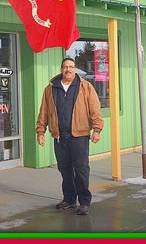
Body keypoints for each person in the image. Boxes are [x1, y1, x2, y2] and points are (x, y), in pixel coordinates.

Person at [36, 57, 104, 216]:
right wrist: (41, 131)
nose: (68, 70)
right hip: (60, 137)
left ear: (75, 69)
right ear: (61, 69)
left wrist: (97, 130)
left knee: (81, 169)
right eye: (66, 67)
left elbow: (95, 110)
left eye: (71, 67)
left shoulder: (85, 87)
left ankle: (85, 202)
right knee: (65, 170)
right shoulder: (51, 88)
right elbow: (44, 111)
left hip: (79, 136)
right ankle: (69, 199)